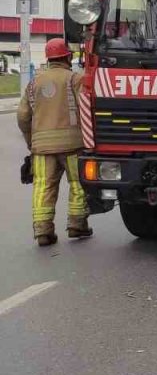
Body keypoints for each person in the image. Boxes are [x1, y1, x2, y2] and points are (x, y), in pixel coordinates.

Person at [19, 38, 90, 246]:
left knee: (42, 186)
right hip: (72, 145)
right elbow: (86, 109)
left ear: (48, 59)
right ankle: (77, 224)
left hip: (41, 148)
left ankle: (43, 231)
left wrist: (31, 140)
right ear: (68, 56)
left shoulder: (34, 83)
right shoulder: (74, 79)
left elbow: (23, 115)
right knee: (77, 183)